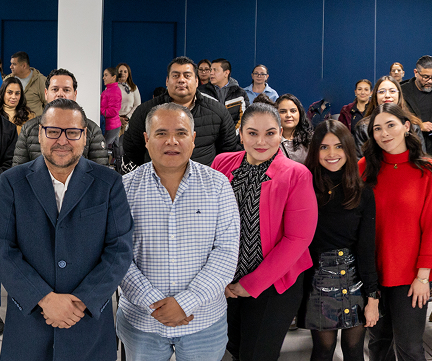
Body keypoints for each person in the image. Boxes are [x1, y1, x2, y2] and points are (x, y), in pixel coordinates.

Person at [0, 98, 134, 361]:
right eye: (53, 131)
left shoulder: (108, 183)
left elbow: (119, 251)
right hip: (30, 321)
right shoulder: (12, 182)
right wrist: (44, 298)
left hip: (87, 322)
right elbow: (2, 248)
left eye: (72, 132)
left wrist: (81, 301)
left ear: (85, 135)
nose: (62, 140)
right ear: (40, 134)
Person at [118, 103, 239, 361]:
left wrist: (185, 303)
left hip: (204, 320)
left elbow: (226, 253)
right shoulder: (123, 190)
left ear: (193, 139)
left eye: (181, 133)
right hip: (142, 322)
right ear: (146, 139)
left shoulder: (218, 186)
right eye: (161, 133)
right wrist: (154, 303)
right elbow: (116, 255)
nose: (171, 141)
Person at [210, 103, 318, 361]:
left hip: (273, 284)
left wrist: (252, 284)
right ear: (241, 133)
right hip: (226, 281)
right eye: (252, 133)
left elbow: (298, 239)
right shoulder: (221, 164)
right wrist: (217, 278)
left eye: (270, 133)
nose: (261, 141)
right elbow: (207, 223)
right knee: (233, 348)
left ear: (281, 133)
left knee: (257, 354)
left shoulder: (296, 174)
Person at [358, 103, 432, 361]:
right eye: (377, 129)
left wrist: (423, 277)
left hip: (411, 276)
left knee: (409, 347)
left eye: (390, 125)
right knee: (377, 345)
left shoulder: (429, 170)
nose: (384, 133)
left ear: (406, 127)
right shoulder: (364, 168)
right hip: (372, 273)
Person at [301, 120, 378, 361]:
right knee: (323, 349)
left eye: (338, 147)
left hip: (354, 277)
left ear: (348, 149)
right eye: (324, 147)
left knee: (354, 349)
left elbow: (366, 248)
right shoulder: (305, 187)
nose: (332, 154)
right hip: (316, 278)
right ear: (315, 151)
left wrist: (373, 297)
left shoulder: (362, 191)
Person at [123, 57, 241, 171]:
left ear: (196, 81)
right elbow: (132, 149)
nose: (181, 80)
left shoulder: (217, 112)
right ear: (167, 81)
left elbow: (228, 152)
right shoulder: (145, 111)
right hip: (157, 184)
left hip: (202, 187)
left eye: (187, 75)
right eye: (175, 75)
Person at [12, 68, 109, 166]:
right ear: (46, 93)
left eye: (66, 90)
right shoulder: (28, 129)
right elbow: (18, 174)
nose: (60, 94)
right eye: (55, 89)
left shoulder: (92, 130)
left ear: (75, 95)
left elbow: (101, 175)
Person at [353, 76, 424, 154]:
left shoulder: (413, 124)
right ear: (375, 96)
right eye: (381, 92)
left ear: (399, 95)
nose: (387, 95)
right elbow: (360, 160)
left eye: (392, 91)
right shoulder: (363, 127)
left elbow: (421, 158)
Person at [198, 58, 250, 127]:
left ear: (226, 73)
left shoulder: (240, 94)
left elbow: (244, 119)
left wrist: (232, 136)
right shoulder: (201, 92)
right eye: (211, 70)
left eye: (215, 70)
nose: (211, 73)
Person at [6, 51, 47, 116]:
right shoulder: (7, 80)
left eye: (14, 64)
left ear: (24, 65)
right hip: (12, 123)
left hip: (34, 124)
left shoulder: (40, 80)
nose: (10, 67)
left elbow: (48, 104)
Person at [276, 93, 312, 164]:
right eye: (283, 112)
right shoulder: (269, 142)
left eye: (293, 111)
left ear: (300, 113)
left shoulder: (310, 140)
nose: (288, 115)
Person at [101, 67, 122, 156]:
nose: (103, 78)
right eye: (103, 75)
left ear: (113, 77)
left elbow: (113, 110)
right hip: (113, 125)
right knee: (117, 149)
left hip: (112, 126)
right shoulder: (109, 90)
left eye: (106, 75)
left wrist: (99, 110)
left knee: (103, 148)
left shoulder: (114, 91)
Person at [116, 63, 141, 131]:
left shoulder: (133, 88)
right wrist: (118, 118)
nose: (123, 73)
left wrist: (127, 117)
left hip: (129, 121)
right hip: (114, 121)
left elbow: (137, 105)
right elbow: (107, 106)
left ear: (128, 74)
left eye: (125, 71)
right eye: (120, 71)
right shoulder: (111, 87)